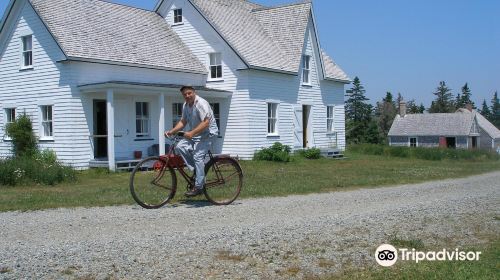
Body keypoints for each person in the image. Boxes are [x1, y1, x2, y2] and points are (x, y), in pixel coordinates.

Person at [165, 86, 219, 197]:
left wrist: (191, 133)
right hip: (196, 134)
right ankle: (198, 171)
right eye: (185, 94)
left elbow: (205, 123)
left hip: (208, 134)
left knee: (198, 156)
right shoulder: (185, 105)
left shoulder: (201, 104)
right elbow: (183, 122)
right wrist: (171, 131)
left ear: (194, 92)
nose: (187, 96)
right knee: (180, 146)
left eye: (189, 93)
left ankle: (199, 187)